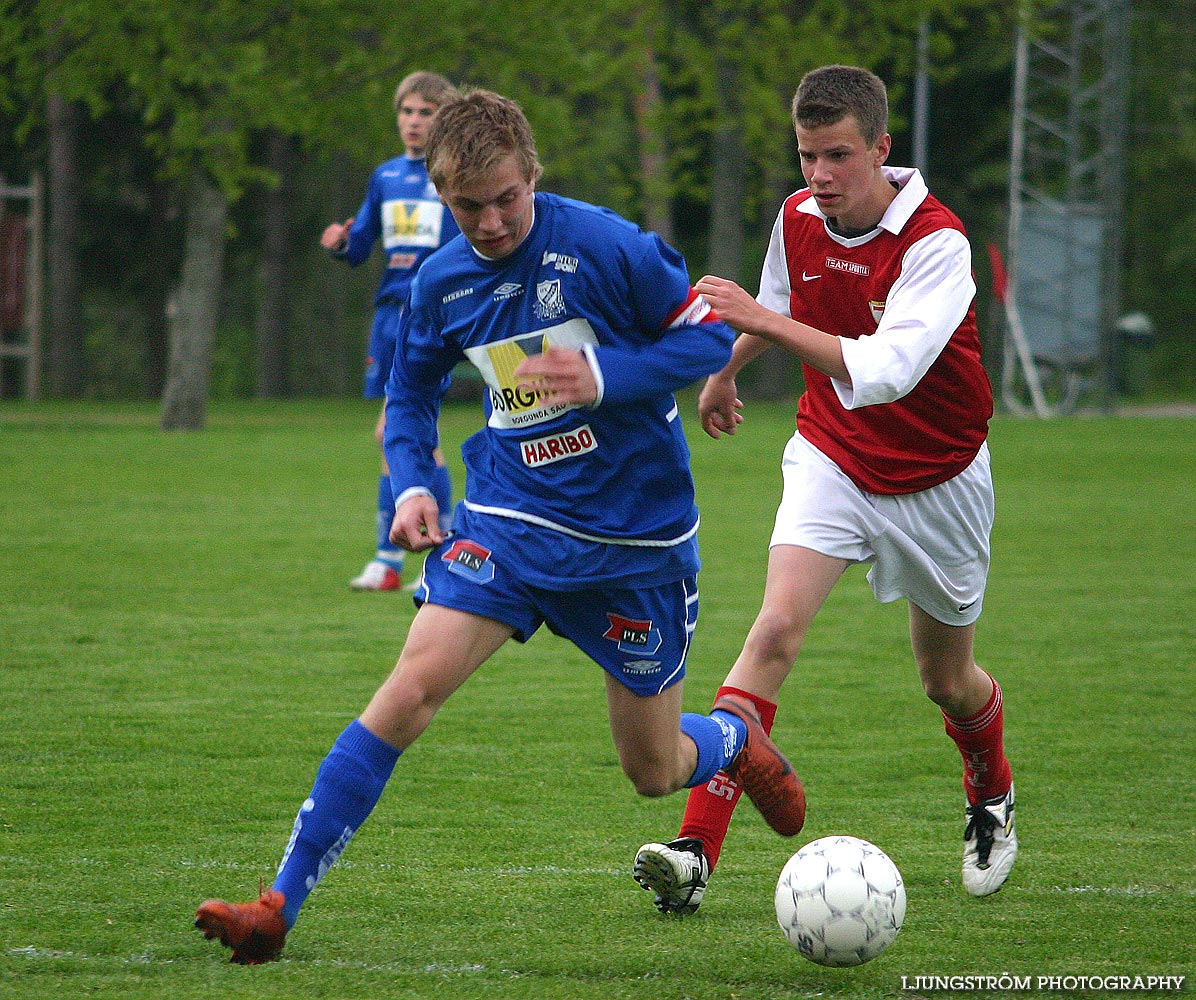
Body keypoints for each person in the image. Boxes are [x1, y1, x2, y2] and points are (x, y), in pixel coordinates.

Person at [194, 88, 807, 964]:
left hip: (633, 543)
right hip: (508, 522)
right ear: (441, 194)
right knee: (408, 691)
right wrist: (410, 485)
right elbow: (408, 398)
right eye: (466, 205)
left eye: (505, 199)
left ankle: (733, 740)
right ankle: (277, 906)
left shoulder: (604, 245)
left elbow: (709, 338)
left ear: (532, 176)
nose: (487, 222)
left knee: (653, 771)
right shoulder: (441, 284)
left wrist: (604, 376)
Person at [633, 64, 1017, 915]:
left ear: (882, 148)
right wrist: (728, 372)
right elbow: (776, 300)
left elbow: (884, 369)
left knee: (946, 681)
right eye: (807, 155)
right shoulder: (799, 217)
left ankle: (990, 789)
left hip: (940, 480)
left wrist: (758, 326)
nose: (819, 176)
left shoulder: (936, 244)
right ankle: (694, 852)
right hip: (834, 457)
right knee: (772, 630)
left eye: (839, 155)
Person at [321, 70, 460, 592]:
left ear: (443, 117)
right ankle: (429, 554)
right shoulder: (384, 178)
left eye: (425, 112)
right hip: (390, 316)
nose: (414, 122)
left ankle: (393, 558)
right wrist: (341, 242)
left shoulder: (456, 176)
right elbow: (360, 248)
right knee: (413, 438)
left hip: (435, 314)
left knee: (394, 431)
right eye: (407, 112)